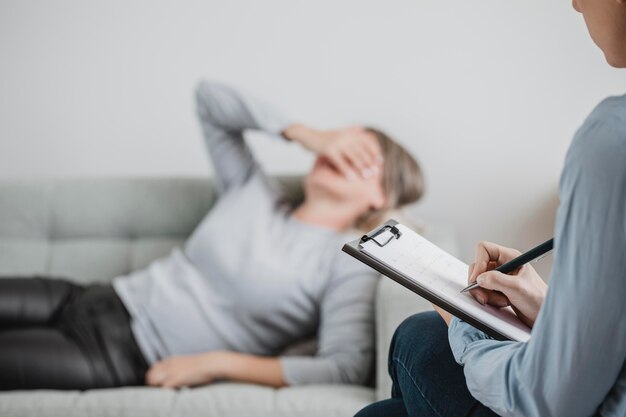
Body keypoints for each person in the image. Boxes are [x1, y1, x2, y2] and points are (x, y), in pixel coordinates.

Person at [0, 81, 424, 391]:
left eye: (364, 157)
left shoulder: (347, 262)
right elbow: (209, 99)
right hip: (87, 296)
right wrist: (305, 133)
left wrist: (217, 363)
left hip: (115, 356)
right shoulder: (253, 192)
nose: (342, 153)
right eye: (343, 142)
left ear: (381, 194)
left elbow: (344, 367)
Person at [355, 1, 626, 416]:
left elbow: (550, 400)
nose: (574, 3)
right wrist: (547, 307)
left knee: (420, 337)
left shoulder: (612, 138)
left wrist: (463, 323)